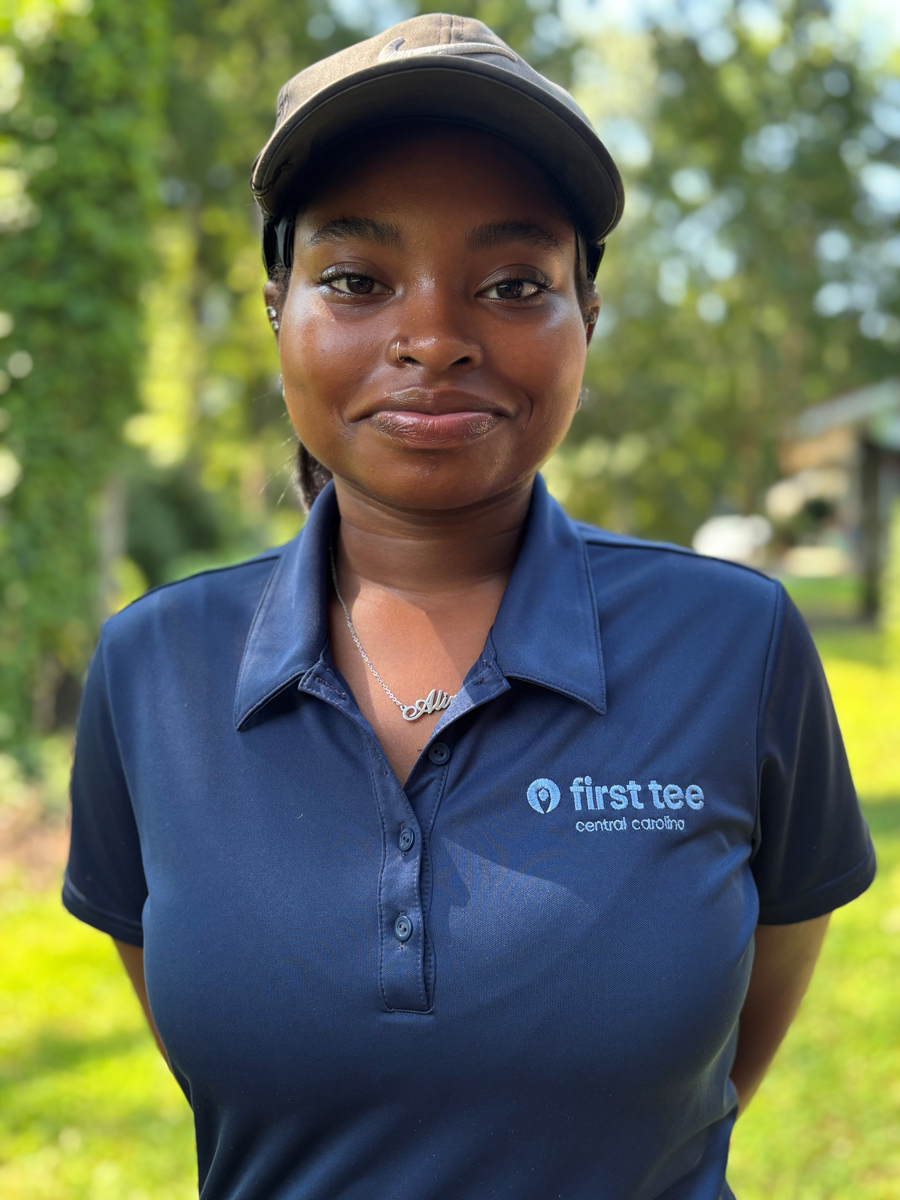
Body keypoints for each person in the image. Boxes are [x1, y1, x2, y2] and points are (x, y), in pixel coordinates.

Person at [63, 14, 875, 1200]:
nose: (434, 338)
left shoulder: (735, 644)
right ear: (277, 307)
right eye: (356, 279)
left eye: (511, 283)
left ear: (584, 319)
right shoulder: (155, 672)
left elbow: (726, 1056)